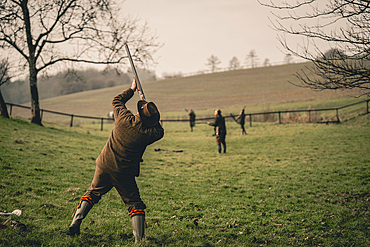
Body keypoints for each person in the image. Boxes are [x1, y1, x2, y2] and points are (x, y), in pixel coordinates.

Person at [69, 78, 164, 243]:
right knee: (135, 203)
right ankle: (138, 241)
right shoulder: (148, 134)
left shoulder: (123, 118)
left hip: (104, 164)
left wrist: (132, 89)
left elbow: (117, 100)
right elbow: (160, 131)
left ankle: (75, 223)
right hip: (123, 173)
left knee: (92, 192)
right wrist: (152, 117)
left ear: (139, 112)